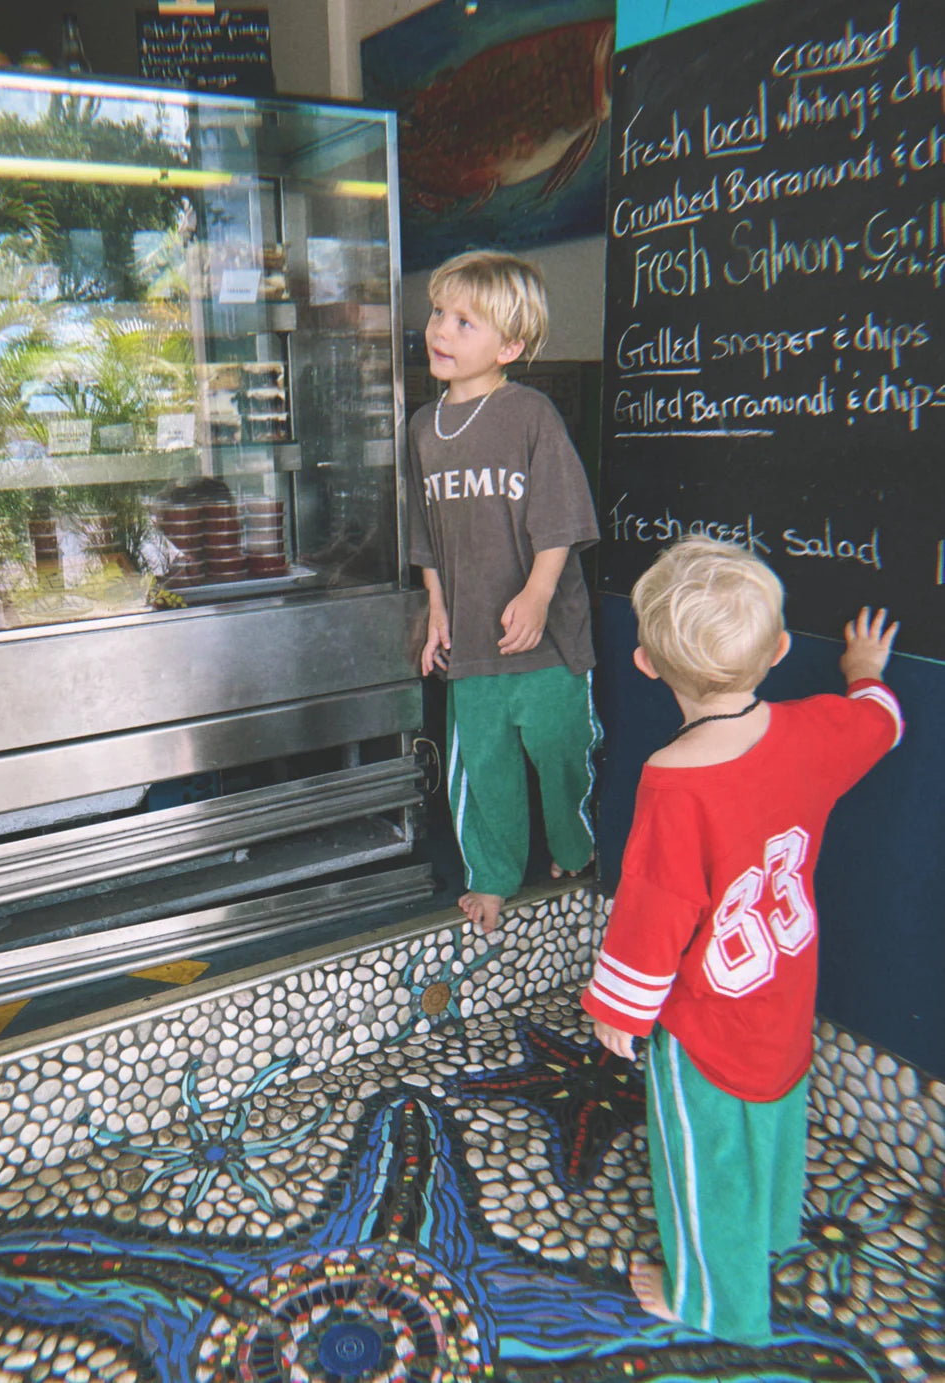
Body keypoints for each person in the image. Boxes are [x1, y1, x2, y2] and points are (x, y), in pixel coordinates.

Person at [580, 536, 903, 1345]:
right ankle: (769, 1232)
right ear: (782, 649)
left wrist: (621, 1009)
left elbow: (654, 909)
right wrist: (863, 670)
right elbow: (880, 722)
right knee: (774, 1116)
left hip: (704, 1025)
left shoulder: (673, 778)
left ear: (647, 663)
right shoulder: (815, 730)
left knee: (704, 1163)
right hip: (784, 997)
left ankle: (711, 1299)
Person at [407, 250, 601, 936]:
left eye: (465, 322)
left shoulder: (530, 414)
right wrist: (436, 607)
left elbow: (561, 515)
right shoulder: (423, 431)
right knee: (483, 765)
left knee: (560, 746)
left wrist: (541, 592)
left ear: (510, 346)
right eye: (439, 313)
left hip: (545, 637)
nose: (441, 330)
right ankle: (491, 876)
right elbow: (426, 536)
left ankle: (576, 844)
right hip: (473, 641)